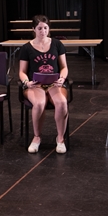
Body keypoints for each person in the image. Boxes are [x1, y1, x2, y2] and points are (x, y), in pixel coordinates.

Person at [17, 15, 70, 154]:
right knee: (39, 104)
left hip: (54, 83)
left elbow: (64, 67)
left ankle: (60, 138)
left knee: (62, 102)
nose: (43, 31)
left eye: (45, 28)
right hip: (36, 84)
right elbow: (22, 72)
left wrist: (62, 78)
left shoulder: (57, 44)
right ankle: (36, 137)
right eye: (40, 28)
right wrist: (26, 82)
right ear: (33, 29)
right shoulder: (26, 48)